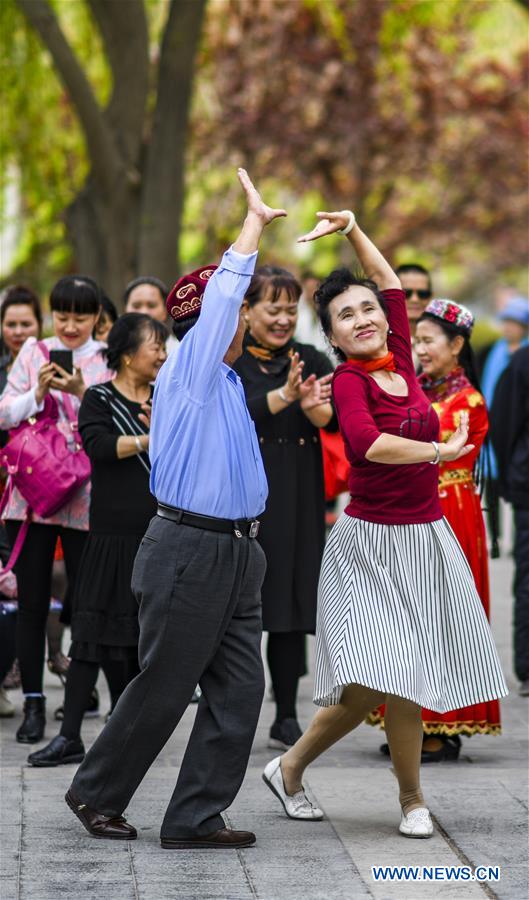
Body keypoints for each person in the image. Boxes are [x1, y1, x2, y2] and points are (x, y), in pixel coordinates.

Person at [263, 209, 507, 839]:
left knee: (389, 685)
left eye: (367, 309)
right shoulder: (347, 380)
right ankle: (399, 797)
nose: (364, 318)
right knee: (384, 680)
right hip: (370, 545)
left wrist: (350, 229)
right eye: (346, 315)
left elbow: (390, 280)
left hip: (426, 540)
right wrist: (439, 453)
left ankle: (306, 772)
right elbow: (368, 446)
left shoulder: (400, 352)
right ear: (334, 336)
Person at [65, 169, 284, 850]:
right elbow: (220, 299)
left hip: (237, 551)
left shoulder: (219, 381)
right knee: (164, 683)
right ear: (215, 316)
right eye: (241, 308)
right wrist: (250, 227)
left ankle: (193, 816)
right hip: (189, 549)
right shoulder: (189, 368)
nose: (248, 317)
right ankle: (96, 793)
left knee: (241, 690)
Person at [28, 314, 167, 766]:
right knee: (90, 633)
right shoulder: (100, 399)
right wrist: (151, 437)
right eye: (155, 346)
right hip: (108, 536)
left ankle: (124, 735)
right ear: (128, 355)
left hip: (157, 533)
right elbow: (100, 447)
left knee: (136, 639)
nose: (162, 355)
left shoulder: (167, 398)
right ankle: (70, 736)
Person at [371, 298, 501, 760]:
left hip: (450, 510)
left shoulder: (468, 402)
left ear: (457, 344)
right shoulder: (412, 388)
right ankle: (406, 716)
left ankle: (439, 724)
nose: (421, 349)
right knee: (406, 616)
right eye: (417, 341)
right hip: (412, 506)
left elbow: (435, 451)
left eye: (429, 341)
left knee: (442, 617)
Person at [0, 276, 110, 743]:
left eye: (79, 317)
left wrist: (85, 393)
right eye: (61, 315)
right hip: (32, 499)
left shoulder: (107, 357)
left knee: (86, 604)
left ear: (96, 319)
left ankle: (76, 703)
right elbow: (5, 412)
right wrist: (37, 395)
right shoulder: (33, 353)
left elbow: (120, 419)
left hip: (86, 499)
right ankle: (33, 705)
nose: (69, 326)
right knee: (30, 602)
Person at [234, 266, 335, 749]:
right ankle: (236, 704)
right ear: (246, 311)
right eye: (272, 308)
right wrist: (284, 396)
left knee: (293, 604)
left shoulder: (312, 357)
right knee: (248, 605)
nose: (282, 319)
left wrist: (317, 407)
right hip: (249, 493)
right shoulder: (232, 363)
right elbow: (236, 414)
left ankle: (286, 712)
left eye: (290, 309)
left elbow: (333, 417)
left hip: (298, 491)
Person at [489, 345, 529, 697]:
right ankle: (527, 666)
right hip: (527, 489)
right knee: (528, 579)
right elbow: (502, 427)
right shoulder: (522, 363)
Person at [124, 275, 178, 353]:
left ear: (166, 310)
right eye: (136, 306)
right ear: (125, 309)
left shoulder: (179, 352)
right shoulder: (109, 352)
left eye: (152, 305)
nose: (144, 312)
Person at [395, 263, 432, 371]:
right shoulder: (378, 340)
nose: (415, 299)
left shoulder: (443, 342)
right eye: (407, 293)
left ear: (431, 296)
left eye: (423, 293)